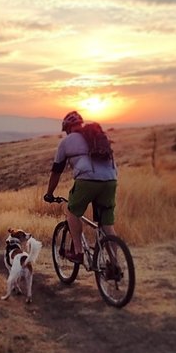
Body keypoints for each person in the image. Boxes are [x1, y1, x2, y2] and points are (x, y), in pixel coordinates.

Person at [44, 110, 118, 264]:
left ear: (67, 128)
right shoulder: (96, 136)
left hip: (87, 180)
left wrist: (49, 193)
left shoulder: (66, 142)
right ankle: (114, 264)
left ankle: (78, 252)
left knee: (72, 212)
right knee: (106, 225)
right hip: (110, 180)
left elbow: (56, 172)